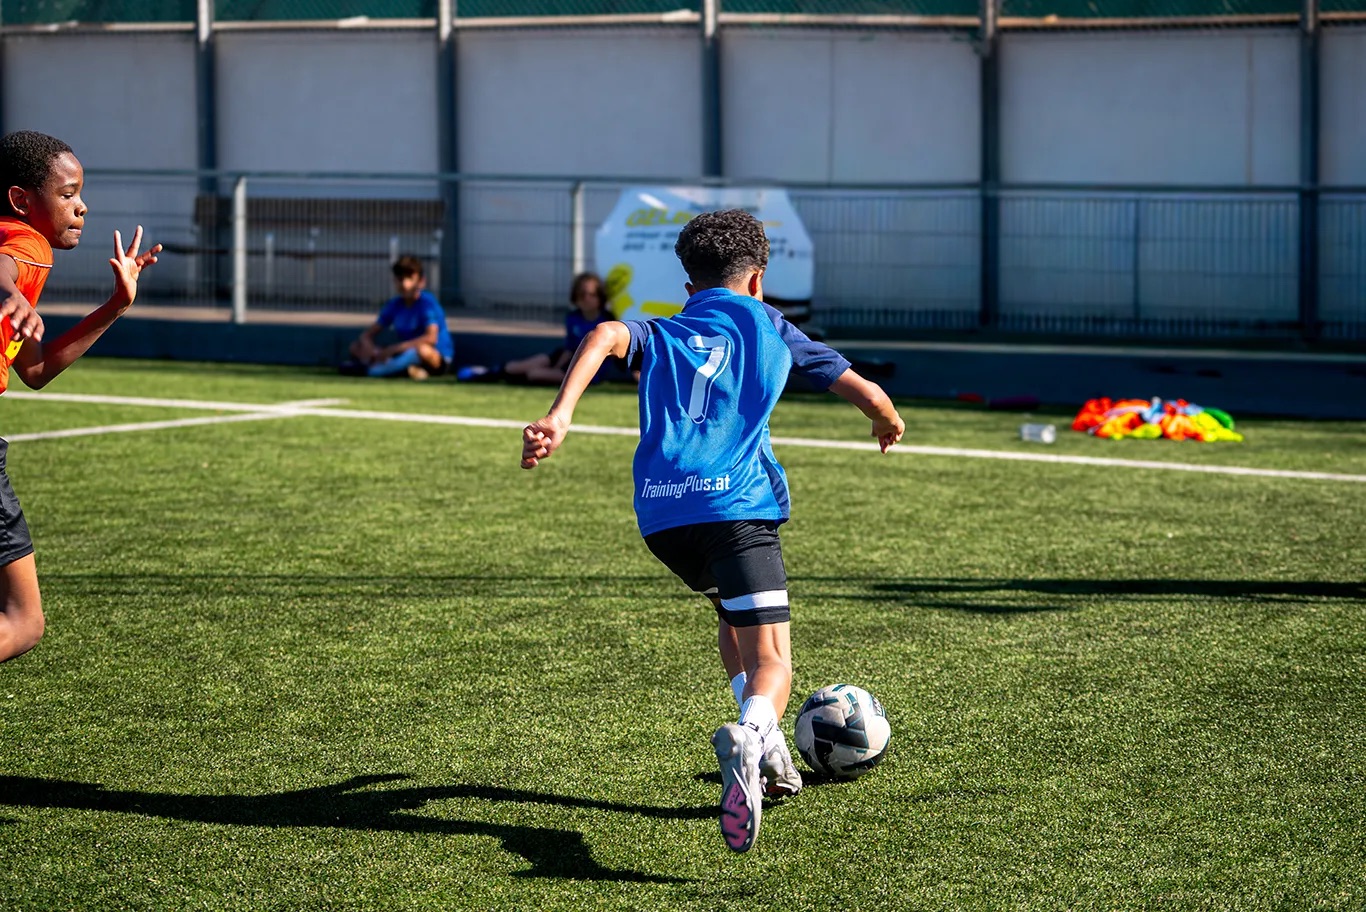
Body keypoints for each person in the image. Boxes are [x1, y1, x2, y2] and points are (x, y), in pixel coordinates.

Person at [520, 209, 904, 853]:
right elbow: (865, 390)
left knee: (732, 623)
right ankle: (751, 739)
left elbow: (606, 333)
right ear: (757, 279)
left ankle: (772, 748)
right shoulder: (771, 323)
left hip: (663, 517)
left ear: (689, 283)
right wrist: (886, 420)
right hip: (737, 509)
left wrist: (560, 417)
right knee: (772, 660)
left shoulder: (663, 328)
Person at [0, 130, 162, 663]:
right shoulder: (27, 244)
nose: (82, 205)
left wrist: (116, 304)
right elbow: (4, 270)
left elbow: (36, 368)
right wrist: (7, 294)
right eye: (68, 194)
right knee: (23, 623)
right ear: (22, 200)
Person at [343, 255, 454, 380]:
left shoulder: (427, 303)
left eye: (410, 279)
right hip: (403, 352)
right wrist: (371, 350)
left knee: (422, 350)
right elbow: (367, 335)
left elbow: (431, 338)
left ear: (421, 281)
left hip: (432, 356)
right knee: (356, 347)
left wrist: (393, 349)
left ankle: (378, 371)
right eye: (400, 279)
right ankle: (406, 370)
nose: (405, 284)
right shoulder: (394, 305)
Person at [500, 271, 614, 386]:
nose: (586, 299)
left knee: (535, 374)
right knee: (515, 367)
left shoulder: (608, 321)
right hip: (568, 357)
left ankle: (521, 378)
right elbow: (569, 348)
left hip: (587, 364)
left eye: (592, 295)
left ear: (600, 297)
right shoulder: (573, 318)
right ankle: (493, 372)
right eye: (582, 295)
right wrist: (557, 366)